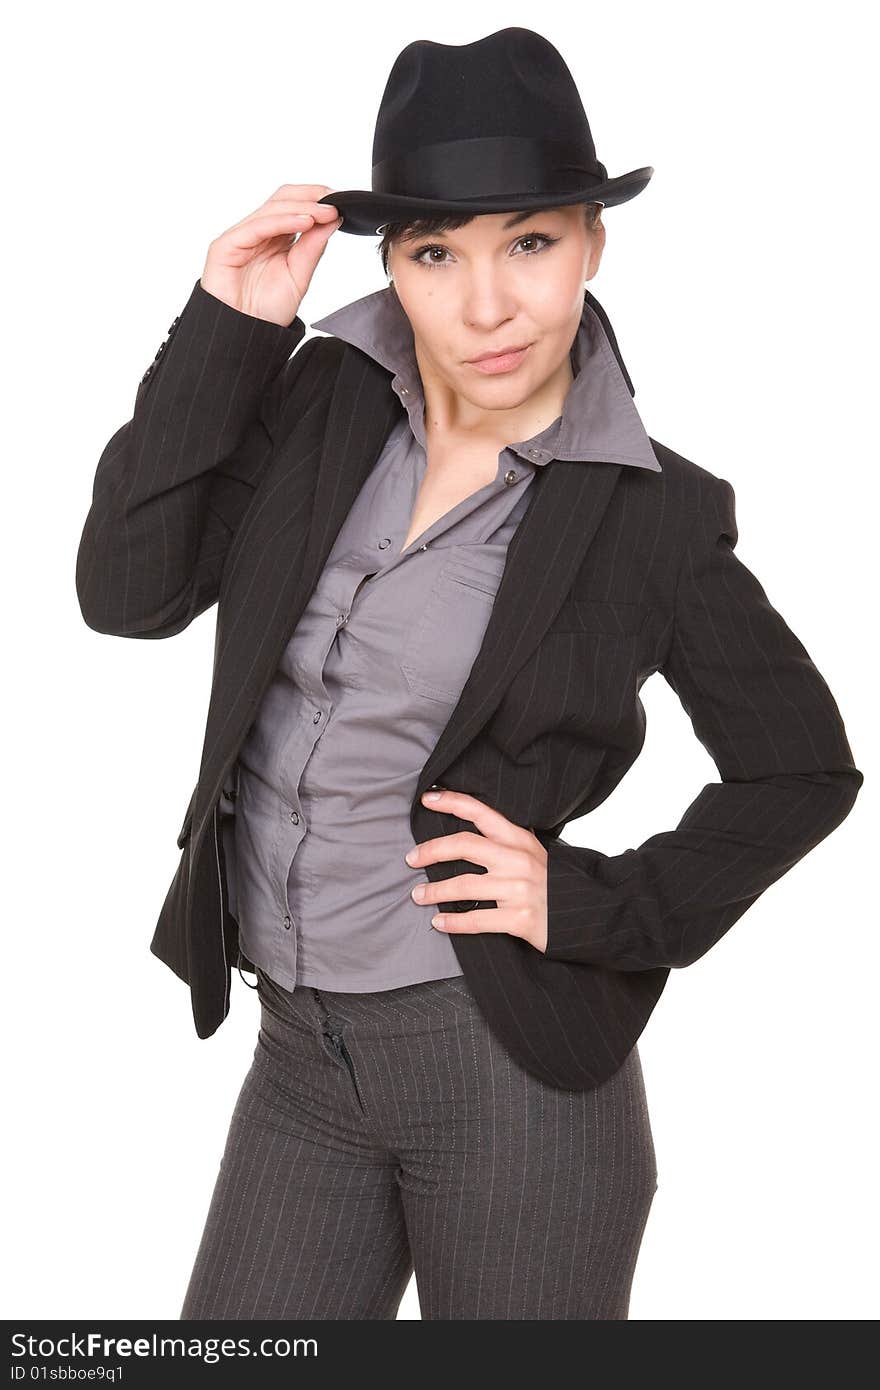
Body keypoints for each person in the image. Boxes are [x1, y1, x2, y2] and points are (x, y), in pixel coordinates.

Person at [75, 28, 862, 1320]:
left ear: (594, 243)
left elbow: (802, 767)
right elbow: (127, 589)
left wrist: (597, 902)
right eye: (437, 253)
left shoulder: (648, 515)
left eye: (530, 244)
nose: (485, 305)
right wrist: (228, 331)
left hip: (507, 1076)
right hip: (300, 1057)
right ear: (391, 260)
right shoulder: (325, 399)